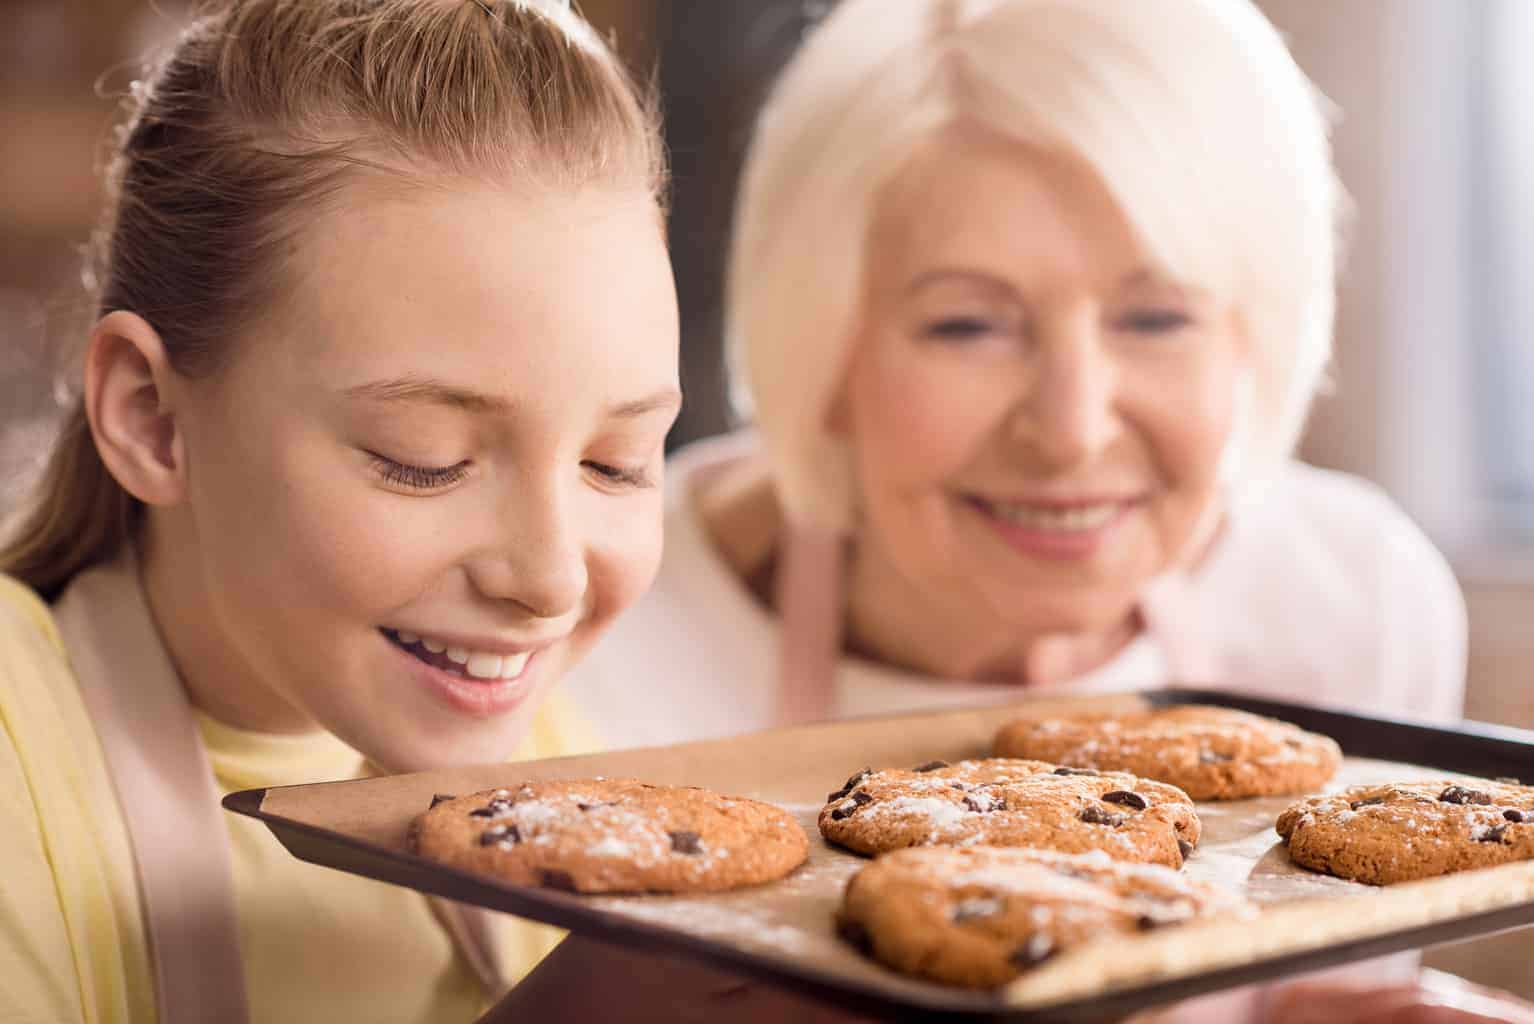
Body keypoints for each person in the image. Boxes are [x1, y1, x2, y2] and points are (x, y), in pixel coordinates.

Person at [565, 0, 1534, 1020]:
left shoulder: (1351, 600)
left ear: (1256, 336)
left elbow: (1322, 995)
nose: (1070, 429)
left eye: (1156, 316)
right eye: (968, 323)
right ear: (824, 345)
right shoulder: (605, 619)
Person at [0, 0, 685, 1020]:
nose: (548, 578)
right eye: (425, 461)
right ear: (152, 418)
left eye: (615, 462)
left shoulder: (548, 758)